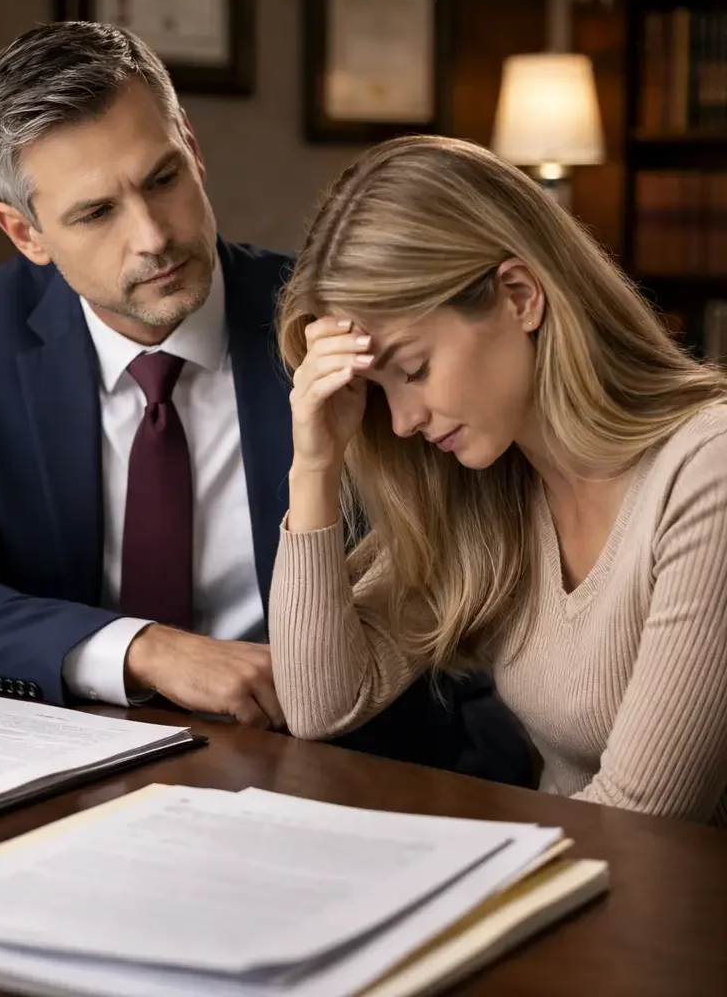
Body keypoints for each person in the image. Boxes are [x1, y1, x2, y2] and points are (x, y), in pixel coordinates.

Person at [0, 22, 532, 783]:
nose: (152, 236)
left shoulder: (328, 315)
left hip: (345, 761)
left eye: (162, 179)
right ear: (26, 233)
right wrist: (145, 649)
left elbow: (452, 586)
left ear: (194, 150)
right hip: (86, 770)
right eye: (96, 213)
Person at [271, 133, 727, 825]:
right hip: (569, 892)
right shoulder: (491, 482)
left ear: (518, 296)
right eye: (380, 387)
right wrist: (315, 464)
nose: (402, 421)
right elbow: (320, 705)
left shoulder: (706, 471)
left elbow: (644, 822)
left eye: (415, 369)